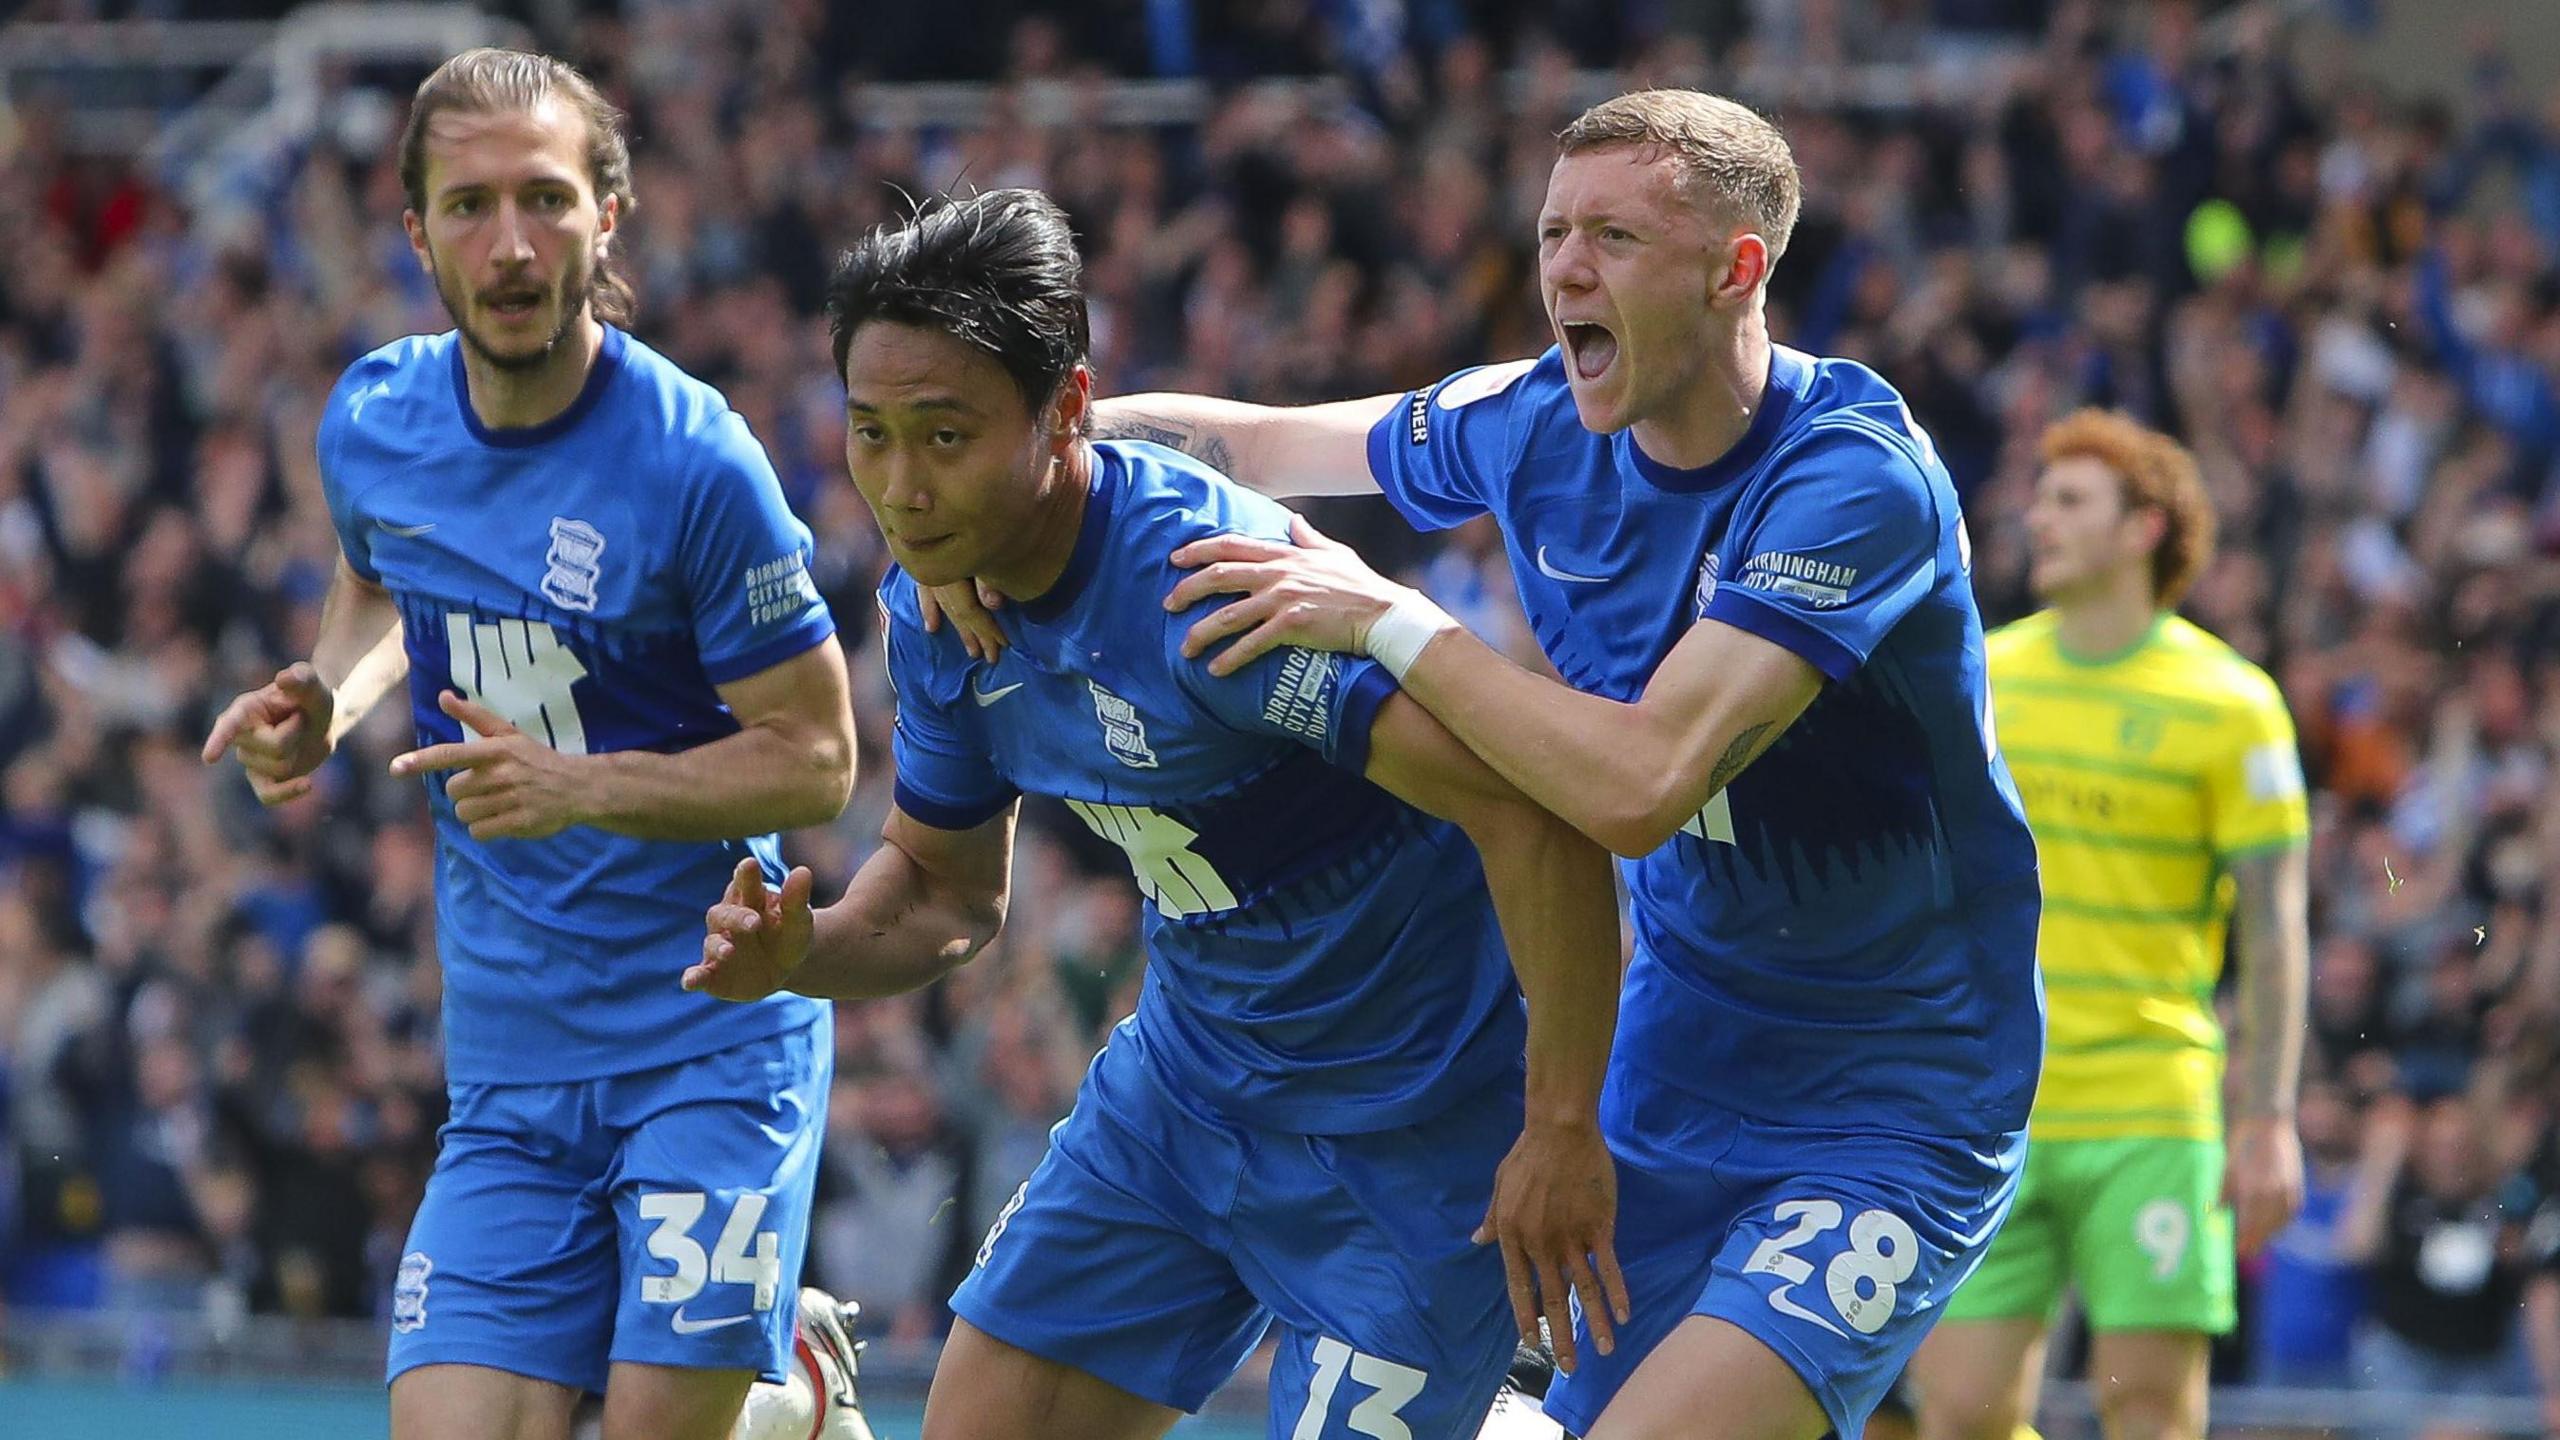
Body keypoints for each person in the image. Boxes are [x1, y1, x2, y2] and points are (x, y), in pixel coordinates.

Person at [929, 89, 2043, 1440]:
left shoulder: (1852, 481)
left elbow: (1640, 789)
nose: (1567, 267)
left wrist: (1390, 620)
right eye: (1553, 230)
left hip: (1893, 1102)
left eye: (1617, 238)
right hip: (1672, 1058)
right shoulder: (1535, 420)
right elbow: (1262, 441)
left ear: (1736, 268)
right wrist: (996, 484)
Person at [692, 186, 1628, 1440]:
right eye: (871, 435)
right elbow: (941, 892)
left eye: (945, 435)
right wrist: (805, 953)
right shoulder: (936, 609)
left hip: (1413, 1150)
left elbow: (1534, 815)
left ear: (1064, 409)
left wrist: (1563, 1125)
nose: (902, 488)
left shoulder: (1212, 595)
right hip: (1184, 1102)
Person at [200, 48, 867, 1440]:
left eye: (547, 201)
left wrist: (578, 790)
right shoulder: (374, 424)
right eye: (471, 205)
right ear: (417, 232)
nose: (510, 246)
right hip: (511, 1058)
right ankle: (764, 1398)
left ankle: (781, 1399)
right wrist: (329, 699)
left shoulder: (696, 464)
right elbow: (380, 580)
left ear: (607, 216)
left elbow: (816, 760)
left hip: (708, 1037)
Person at [1901, 411, 2311, 1440]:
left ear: (2144, 529)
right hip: (1992, 1101)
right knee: (1956, 1415)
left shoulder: (2232, 704)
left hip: (2150, 1107)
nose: (2036, 516)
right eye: (2039, 496)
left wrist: (2265, 1120)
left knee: (2151, 1417)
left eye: (2068, 499)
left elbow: (2274, 929)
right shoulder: (1980, 674)